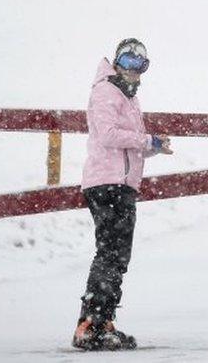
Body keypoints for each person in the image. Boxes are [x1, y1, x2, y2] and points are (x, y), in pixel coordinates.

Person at [72, 38, 173, 351]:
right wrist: (145, 140)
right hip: (108, 183)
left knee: (116, 256)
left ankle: (101, 321)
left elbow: (128, 145)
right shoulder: (106, 90)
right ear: (116, 62)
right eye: (128, 62)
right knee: (111, 254)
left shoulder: (127, 96)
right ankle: (89, 324)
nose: (133, 70)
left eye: (139, 65)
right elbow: (107, 135)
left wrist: (153, 147)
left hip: (121, 183)